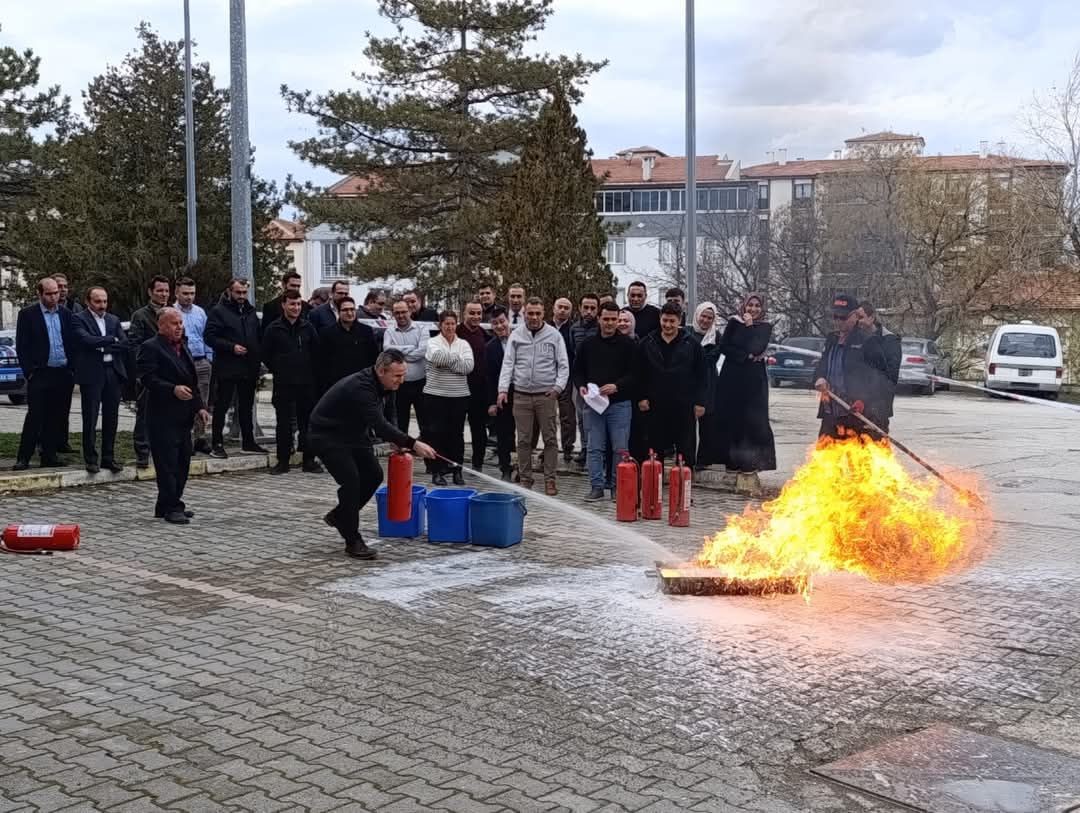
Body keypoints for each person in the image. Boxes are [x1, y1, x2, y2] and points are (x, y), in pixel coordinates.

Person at [308, 350, 436, 558]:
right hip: (326, 435)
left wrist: (398, 441)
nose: (401, 381)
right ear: (381, 371)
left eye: (403, 375)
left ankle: (341, 516)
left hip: (353, 434)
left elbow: (390, 414)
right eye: (397, 376)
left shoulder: (388, 385)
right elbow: (378, 424)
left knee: (374, 475)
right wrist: (413, 443)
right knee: (351, 481)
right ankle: (352, 540)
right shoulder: (361, 387)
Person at [137, 308, 210, 525]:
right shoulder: (150, 347)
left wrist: (200, 408)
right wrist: (172, 389)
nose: (179, 327)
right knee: (167, 464)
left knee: (182, 461)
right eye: (174, 323)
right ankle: (172, 507)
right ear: (161, 326)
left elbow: (192, 382)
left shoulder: (183, 346)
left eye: (180, 323)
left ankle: (166, 503)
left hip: (183, 416)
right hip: (162, 415)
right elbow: (147, 378)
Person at [497, 297, 569, 495]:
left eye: (538, 313)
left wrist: (558, 388)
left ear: (543, 313)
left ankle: (550, 479)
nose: (534, 317)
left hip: (546, 395)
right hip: (521, 395)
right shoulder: (516, 335)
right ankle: (526, 478)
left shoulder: (554, 335)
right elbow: (508, 364)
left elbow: (563, 365)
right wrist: (503, 390)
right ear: (525, 314)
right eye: (530, 313)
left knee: (550, 439)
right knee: (523, 440)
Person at [712, 295, 777, 495]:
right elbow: (724, 347)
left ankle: (751, 463)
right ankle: (732, 462)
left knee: (753, 420)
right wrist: (745, 356)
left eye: (757, 305)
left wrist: (749, 327)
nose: (754, 308)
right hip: (732, 377)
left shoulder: (764, 327)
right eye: (750, 305)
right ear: (744, 306)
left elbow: (757, 347)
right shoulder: (733, 322)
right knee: (732, 418)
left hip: (754, 381)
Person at [12, 277, 77, 470]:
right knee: (35, 416)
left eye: (56, 293)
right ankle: (24, 456)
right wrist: (29, 372)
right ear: (39, 294)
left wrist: (71, 368)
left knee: (55, 417)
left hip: (62, 373)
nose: (53, 297)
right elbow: (22, 346)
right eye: (49, 294)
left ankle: (49, 455)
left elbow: (71, 342)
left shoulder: (65, 314)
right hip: (40, 373)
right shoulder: (28, 314)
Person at [574, 302, 637, 502]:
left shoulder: (628, 345)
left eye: (614, 319)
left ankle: (618, 487)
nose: (610, 323)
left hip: (619, 404)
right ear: (599, 319)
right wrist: (581, 385)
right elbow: (578, 370)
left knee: (620, 448)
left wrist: (616, 386)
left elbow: (635, 374)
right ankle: (596, 486)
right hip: (593, 404)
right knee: (594, 447)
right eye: (606, 319)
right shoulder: (588, 344)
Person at [637, 303, 707, 467]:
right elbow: (639, 373)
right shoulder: (647, 342)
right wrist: (641, 397)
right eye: (665, 320)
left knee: (685, 447)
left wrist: (700, 402)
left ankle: (685, 483)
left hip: (684, 404)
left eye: (672, 321)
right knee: (654, 446)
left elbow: (702, 375)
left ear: (679, 320)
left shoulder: (692, 344)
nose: (667, 325)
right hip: (655, 404)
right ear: (660, 319)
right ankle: (655, 482)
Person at [262, 290, 323, 475]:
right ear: (283, 305)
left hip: (306, 383)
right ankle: (282, 461)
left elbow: (317, 352)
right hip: (284, 383)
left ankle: (309, 460)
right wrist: (280, 368)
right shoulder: (273, 329)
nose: (295, 308)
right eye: (292, 304)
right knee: (284, 423)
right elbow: (266, 354)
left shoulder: (308, 327)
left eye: (298, 304)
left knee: (308, 423)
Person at [814, 293, 890, 440]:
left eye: (843, 317)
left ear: (855, 316)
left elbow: (881, 378)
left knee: (856, 461)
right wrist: (819, 378)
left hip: (856, 415)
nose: (838, 321)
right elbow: (822, 366)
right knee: (825, 459)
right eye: (835, 317)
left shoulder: (868, 341)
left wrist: (863, 400)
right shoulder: (831, 339)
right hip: (831, 413)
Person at [205, 278, 266, 458]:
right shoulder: (218, 312)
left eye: (244, 292)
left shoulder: (250, 312)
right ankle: (217, 443)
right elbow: (209, 336)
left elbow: (257, 335)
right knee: (222, 405)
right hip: (227, 366)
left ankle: (248, 441)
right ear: (230, 291)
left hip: (248, 366)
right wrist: (231, 347)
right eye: (237, 292)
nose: (241, 296)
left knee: (246, 406)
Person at [72, 287, 128, 474]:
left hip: (112, 371)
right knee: (91, 417)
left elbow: (124, 343)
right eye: (98, 302)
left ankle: (108, 457)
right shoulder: (79, 319)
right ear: (88, 302)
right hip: (92, 374)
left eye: (104, 301)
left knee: (111, 417)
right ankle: (90, 458)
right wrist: (110, 340)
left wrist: (103, 346)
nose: (102, 305)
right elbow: (85, 340)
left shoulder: (113, 319)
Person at [423, 311, 474, 485]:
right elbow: (436, 356)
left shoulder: (464, 344)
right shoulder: (432, 342)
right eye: (447, 324)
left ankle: (456, 470)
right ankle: (437, 471)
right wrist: (456, 360)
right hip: (435, 395)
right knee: (436, 434)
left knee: (457, 436)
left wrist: (445, 362)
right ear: (440, 325)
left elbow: (468, 366)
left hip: (459, 396)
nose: (450, 327)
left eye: (453, 324)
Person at [127, 276, 173, 468]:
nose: (163, 294)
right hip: (150, 373)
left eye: (166, 291)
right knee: (145, 413)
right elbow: (134, 345)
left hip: (170, 372)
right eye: (159, 290)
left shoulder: (173, 313)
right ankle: (143, 452)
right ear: (150, 292)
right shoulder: (141, 316)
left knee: (168, 415)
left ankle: (164, 450)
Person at [174, 277, 213, 454]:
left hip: (201, 361)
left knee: (202, 401)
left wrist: (209, 358)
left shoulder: (200, 312)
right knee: (184, 401)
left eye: (192, 293)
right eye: (185, 293)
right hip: (182, 363)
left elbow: (207, 336)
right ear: (177, 293)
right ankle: (185, 438)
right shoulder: (172, 312)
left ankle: (200, 438)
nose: (189, 297)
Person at [383, 299, 429, 435]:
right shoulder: (389, 331)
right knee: (400, 422)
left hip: (421, 383)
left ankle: (426, 453)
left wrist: (399, 355)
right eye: (397, 313)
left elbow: (422, 352)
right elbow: (386, 350)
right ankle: (402, 453)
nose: (401, 315)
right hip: (399, 385)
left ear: (410, 311)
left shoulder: (422, 329)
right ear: (393, 314)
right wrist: (410, 348)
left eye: (404, 312)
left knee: (425, 422)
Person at [318, 296, 378, 392]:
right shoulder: (327, 333)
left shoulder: (366, 331)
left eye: (352, 309)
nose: (349, 313)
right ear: (338, 312)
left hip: (362, 384)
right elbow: (323, 363)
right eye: (345, 310)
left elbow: (373, 357)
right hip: (337, 386)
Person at [858, 301, 903, 430]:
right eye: (856, 318)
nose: (858, 322)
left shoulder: (889, 341)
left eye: (861, 317)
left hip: (877, 409)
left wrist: (877, 408)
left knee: (875, 448)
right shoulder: (855, 338)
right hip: (855, 406)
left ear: (872, 318)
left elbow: (890, 377)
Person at [688, 302, 721, 469]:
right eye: (703, 316)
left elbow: (711, 359)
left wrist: (693, 359)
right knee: (687, 425)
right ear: (697, 315)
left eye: (710, 317)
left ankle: (703, 460)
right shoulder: (686, 332)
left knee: (707, 424)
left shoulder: (717, 337)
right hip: (687, 383)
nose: (705, 320)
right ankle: (688, 459)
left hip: (708, 383)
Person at [456, 302, 488, 471]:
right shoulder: (456, 332)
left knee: (479, 430)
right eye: (472, 313)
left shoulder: (484, 334)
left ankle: (478, 464)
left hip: (479, 392)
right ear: (464, 314)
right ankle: (457, 465)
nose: (476, 317)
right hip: (458, 390)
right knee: (456, 430)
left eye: (479, 313)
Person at [569, 293, 600, 466]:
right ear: (580, 308)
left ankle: (597, 450)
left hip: (599, 380)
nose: (589, 311)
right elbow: (574, 352)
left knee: (597, 416)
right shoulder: (574, 329)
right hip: (580, 381)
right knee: (581, 416)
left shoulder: (601, 328)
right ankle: (585, 448)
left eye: (592, 308)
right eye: (585, 308)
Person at [484, 308, 514, 481]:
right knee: (503, 434)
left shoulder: (520, 340)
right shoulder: (490, 348)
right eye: (495, 323)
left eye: (502, 321)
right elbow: (489, 377)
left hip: (521, 393)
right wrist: (492, 402)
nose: (500, 326)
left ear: (508, 321)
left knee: (524, 435)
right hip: (501, 396)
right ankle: (505, 468)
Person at [550, 297, 577, 464]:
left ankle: (568, 447)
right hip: (546, 376)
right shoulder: (545, 326)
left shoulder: (572, 329)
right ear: (553, 308)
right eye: (560, 307)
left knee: (567, 414)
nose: (562, 310)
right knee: (547, 415)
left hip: (566, 376)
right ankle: (548, 447)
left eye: (566, 308)